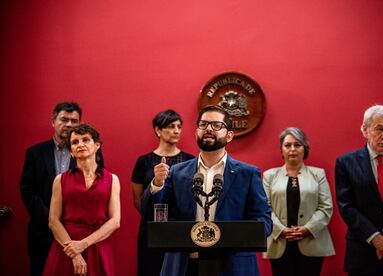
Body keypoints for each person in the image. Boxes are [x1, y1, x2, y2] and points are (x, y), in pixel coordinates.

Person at [142, 105, 272, 276]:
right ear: (197, 132)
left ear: (230, 135)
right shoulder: (177, 172)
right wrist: (157, 184)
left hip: (232, 266)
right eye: (203, 124)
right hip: (185, 264)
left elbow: (264, 221)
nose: (209, 129)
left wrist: (235, 236)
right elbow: (152, 212)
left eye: (216, 125)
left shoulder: (247, 174)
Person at [335, 105, 383, 275]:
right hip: (363, 255)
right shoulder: (345, 163)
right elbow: (346, 207)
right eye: (379, 129)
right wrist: (375, 237)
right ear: (364, 130)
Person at [43, 123, 120, 276]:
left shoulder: (112, 179)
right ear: (71, 151)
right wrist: (75, 253)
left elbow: (115, 221)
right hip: (66, 247)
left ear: (97, 145)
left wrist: (83, 244)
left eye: (85, 140)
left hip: (97, 247)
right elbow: (53, 220)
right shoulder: (60, 180)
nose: (80, 144)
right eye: (75, 142)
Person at [20, 102, 82, 276]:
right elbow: (27, 191)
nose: (69, 124)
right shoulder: (35, 153)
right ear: (53, 121)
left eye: (74, 121)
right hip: (43, 233)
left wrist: (71, 222)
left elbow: (96, 190)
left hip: (77, 233)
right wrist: (52, 220)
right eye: (64, 119)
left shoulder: (88, 152)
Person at [262, 127, 335, 276]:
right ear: (281, 150)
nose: (292, 149)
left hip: (311, 242)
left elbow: (325, 207)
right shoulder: (269, 175)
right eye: (287, 145)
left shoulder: (318, 174)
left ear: (305, 148)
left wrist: (307, 229)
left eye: (297, 144)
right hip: (279, 242)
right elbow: (264, 208)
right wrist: (281, 230)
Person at [131, 109, 194, 276]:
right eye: (171, 126)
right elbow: (138, 201)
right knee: (150, 269)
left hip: (181, 230)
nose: (177, 131)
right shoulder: (143, 161)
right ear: (158, 130)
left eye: (179, 127)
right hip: (151, 229)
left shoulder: (191, 160)